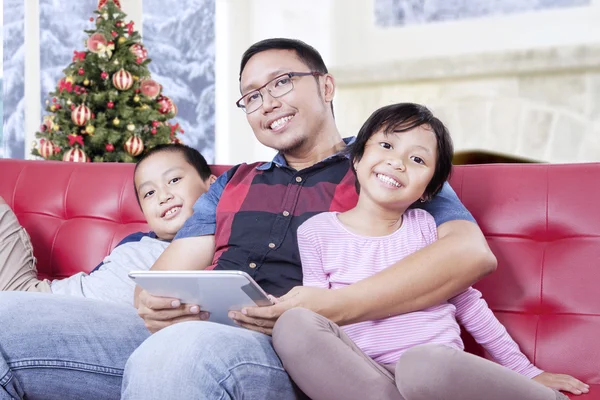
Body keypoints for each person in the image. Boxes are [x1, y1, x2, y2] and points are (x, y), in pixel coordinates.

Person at [0, 38, 495, 400]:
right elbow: (164, 276)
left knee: (180, 353)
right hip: (197, 330)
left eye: (281, 82)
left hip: (297, 351)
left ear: (326, 85)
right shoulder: (231, 182)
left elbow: (469, 254)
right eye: (252, 96)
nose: (267, 103)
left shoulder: (383, 167)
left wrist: (327, 308)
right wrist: (154, 301)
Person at [271, 103, 589, 400]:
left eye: (417, 159)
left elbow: (468, 304)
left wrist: (526, 371)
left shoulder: (424, 228)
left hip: (432, 375)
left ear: (429, 190)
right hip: (365, 379)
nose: (397, 162)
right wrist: (272, 309)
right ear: (356, 158)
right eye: (386, 146)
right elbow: (318, 309)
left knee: (419, 365)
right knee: (293, 324)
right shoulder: (315, 231)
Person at [0, 143, 215, 305]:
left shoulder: (220, 239)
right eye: (149, 193)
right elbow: (94, 284)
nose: (163, 196)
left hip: (51, 312)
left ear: (212, 184)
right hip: (39, 297)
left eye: (174, 180)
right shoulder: (137, 243)